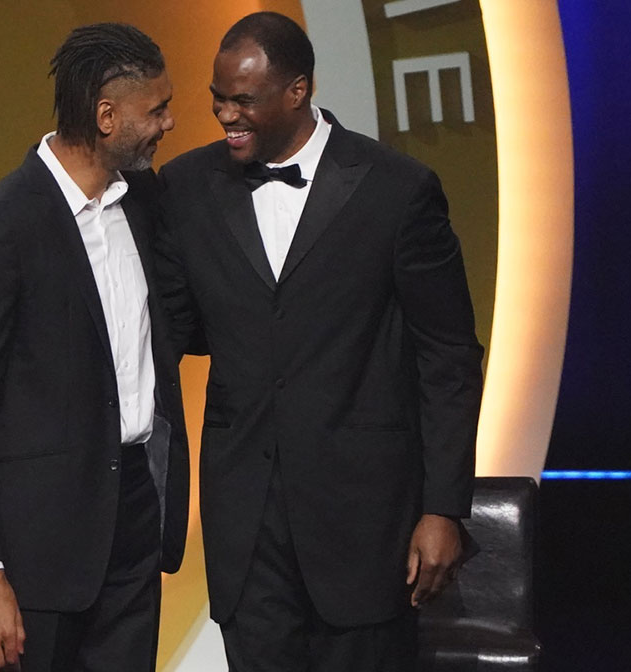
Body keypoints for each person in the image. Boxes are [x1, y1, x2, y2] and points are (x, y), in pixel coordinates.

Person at [156, 12, 483, 671]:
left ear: (297, 91)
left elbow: (448, 357)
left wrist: (443, 507)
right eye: (217, 98)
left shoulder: (397, 190)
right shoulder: (186, 187)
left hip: (365, 524)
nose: (224, 114)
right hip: (246, 526)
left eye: (242, 100)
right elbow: (172, 327)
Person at [0, 23, 187, 672]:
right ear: (107, 116)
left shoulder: (144, 201)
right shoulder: (1, 226)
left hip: (133, 516)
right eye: (155, 109)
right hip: (32, 548)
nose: (169, 123)